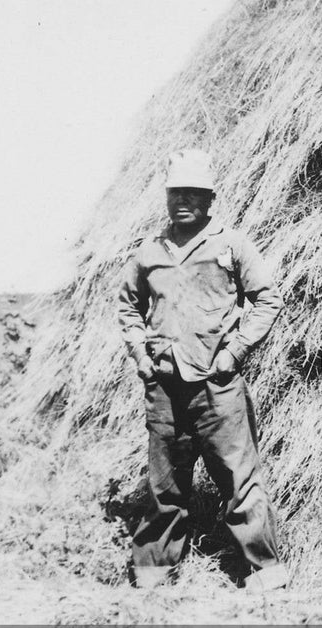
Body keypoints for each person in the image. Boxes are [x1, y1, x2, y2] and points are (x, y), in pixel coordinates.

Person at [117, 148, 288, 592]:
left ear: (210, 198)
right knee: (165, 484)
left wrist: (235, 352)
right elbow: (128, 307)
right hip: (164, 387)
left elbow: (267, 299)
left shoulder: (231, 245)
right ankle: (153, 571)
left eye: (193, 193)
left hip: (217, 386)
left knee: (238, 479)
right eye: (176, 192)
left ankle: (265, 571)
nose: (183, 201)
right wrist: (141, 357)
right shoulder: (149, 252)